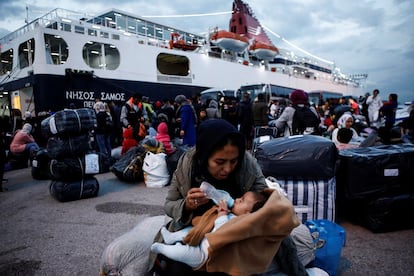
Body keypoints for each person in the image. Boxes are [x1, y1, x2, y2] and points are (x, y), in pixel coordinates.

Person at [147, 119, 303, 275]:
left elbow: (264, 205)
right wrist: (187, 205)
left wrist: (244, 216)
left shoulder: (247, 166)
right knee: (179, 265)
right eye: (219, 162)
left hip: (237, 237)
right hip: (197, 232)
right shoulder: (187, 166)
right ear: (204, 156)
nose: (227, 169)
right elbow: (170, 204)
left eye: (233, 161)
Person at [150, 191, 267, 269]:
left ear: (248, 214)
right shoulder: (233, 215)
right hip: (203, 239)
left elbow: (222, 233)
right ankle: (171, 237)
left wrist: (222, 214)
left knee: (184, 252)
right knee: (191, 230)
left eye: (241, 200)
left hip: (205, 255)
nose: (236, 199)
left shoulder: (241, 225)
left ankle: (163, 248)